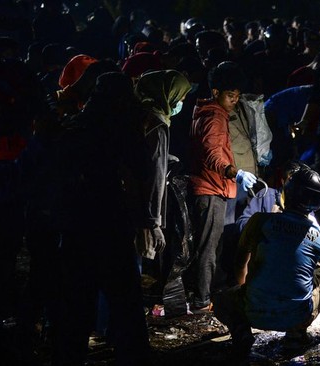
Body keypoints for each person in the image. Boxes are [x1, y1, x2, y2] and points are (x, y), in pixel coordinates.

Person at [53, 72, 151, 366]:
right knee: (124, 300)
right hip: (111, 221)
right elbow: (142, 172)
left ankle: (69, 356)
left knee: (75, 301)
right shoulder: (125, 128)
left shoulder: (75, 126)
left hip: (76, 223)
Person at [213, 168, 320, 359]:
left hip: (252, 310)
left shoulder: (260, 221)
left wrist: (250, 296)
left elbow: (239, 262)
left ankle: (242, 334)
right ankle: (296, 334)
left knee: (221, 300)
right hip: (295, 315)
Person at [188, 62, 256, 312]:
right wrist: (235, 173)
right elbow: (212, 153)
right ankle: (202, 300)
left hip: (209, 187)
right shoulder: (214, 116)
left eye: (237, 96)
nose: (234, 101)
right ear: (216, 92)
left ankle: (208, 294)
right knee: (208, 246)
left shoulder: (203, 111)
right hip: (209, 187)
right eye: (230, 96)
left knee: (211, 244)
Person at [134, 70, 191, 263]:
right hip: (141, 211)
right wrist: (153, 223)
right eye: (180, 96)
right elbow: (155, 177)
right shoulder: (157, 126)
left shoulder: (136, 113)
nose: (182, 101)